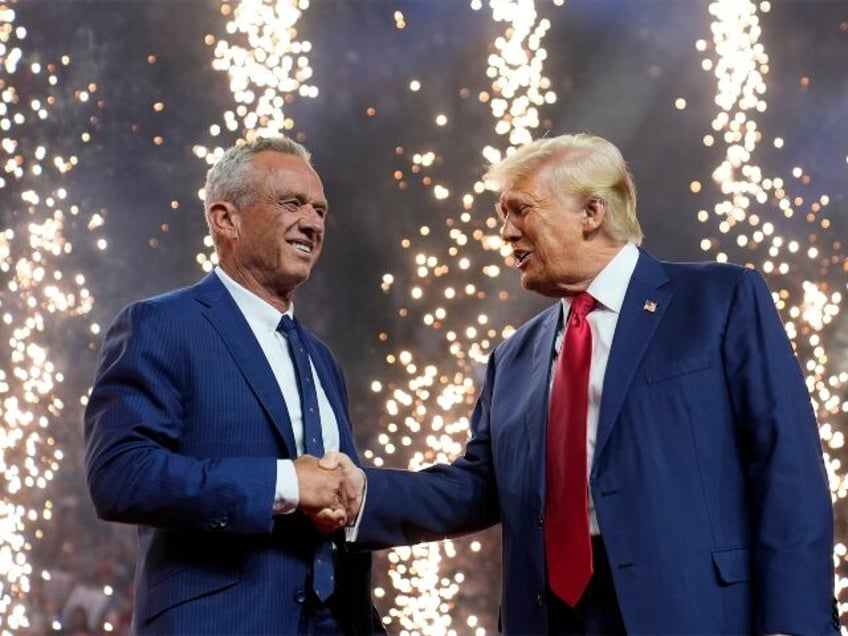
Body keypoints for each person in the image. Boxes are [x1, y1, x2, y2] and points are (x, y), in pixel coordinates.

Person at [325, 132, 838, 634]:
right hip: (554, 616)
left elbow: (785, 464)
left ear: (592, 213)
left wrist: (794, 625)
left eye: (519, 209)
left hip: (694, 609)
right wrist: (361, 493)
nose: (504, 232)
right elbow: (478, 487)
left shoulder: (718, 300)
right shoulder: (513, 357)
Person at [84, 136, 384, 635]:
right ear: (226, 219)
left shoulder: (323, 361)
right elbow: (120, 475)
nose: (312, 222)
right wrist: (287, 483)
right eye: (292, 203)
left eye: (320, 209)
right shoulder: (161, 324)